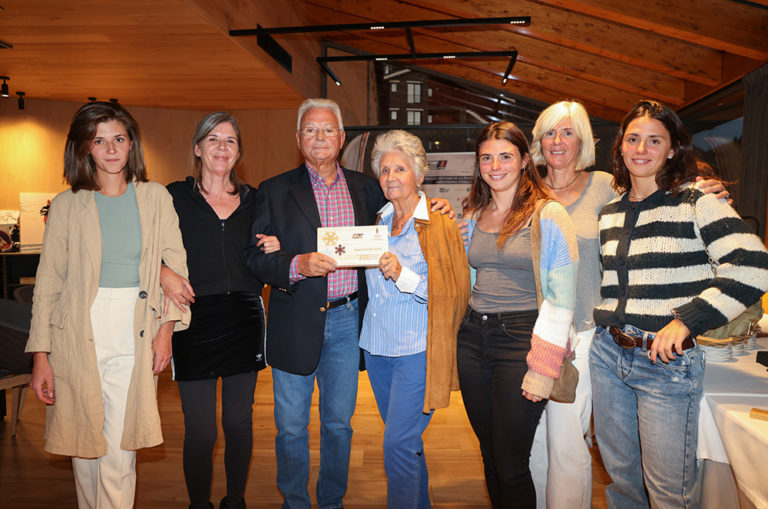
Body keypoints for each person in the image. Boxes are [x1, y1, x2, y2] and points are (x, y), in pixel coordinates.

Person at [243, 98, 453, 509]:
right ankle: (295, 503)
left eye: (328, 129)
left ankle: (332, 501)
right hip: (294, 320)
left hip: (348, 320)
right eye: (310, 129)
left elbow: (405, 205)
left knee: (339, 425)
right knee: (290, 428)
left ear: (341, 137)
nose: (319, 137)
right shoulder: (273, 190)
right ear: (298, 138)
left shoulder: (367, 188)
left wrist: (436, 205)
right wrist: (296, 264)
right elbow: (254, 258)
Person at [526, 100, 731, 509]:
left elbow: (658, 199)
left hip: (586, 335)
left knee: (569, 444)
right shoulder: (523, 190)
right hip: (531, 333)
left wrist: (709, 192)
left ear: (585, 142)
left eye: (568, 132)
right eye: (549, 132)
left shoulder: (605, 187)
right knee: (538, 448)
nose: (558, 141)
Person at [591, 100, 768, 508]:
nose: (641, 149)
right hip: (608, 354)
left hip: (666, 364)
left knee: (668, 494)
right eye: (633, 139)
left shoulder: (696, 201)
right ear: (620, 147)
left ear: (672, 149)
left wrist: (687, 320)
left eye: (655, 140)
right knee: (622, 483)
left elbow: (753, 265)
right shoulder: (610, 212)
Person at [26, 101, 190, 508]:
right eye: (99, 141)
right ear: (85, 148)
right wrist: (41, 357)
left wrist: (166, 332)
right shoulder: (67, 205)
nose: (111, 149)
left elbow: (177, 270)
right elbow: (48, 284)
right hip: (76, 331)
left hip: (136, 327)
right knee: (83, 447)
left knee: (119, 451)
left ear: (132, 143)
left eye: (119, 138)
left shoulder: (155, 198)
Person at [160, 112, 280, 509]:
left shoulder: (256, 200)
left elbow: (280, 243)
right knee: (201, 431)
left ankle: (235, 501)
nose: (221, 147)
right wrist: (163, 272)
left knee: (238, 422)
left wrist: (277, 246)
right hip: (192, 319)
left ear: (238, 151)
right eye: (212, 139)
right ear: (197, 148)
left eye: (230, 140)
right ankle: (199, 504)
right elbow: (143, 248)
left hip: (244, 317)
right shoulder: (174, 197)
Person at [458, 121, 579, 508]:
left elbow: (562, 297)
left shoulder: (549, 214)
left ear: (526, 160)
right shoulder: (474, 213)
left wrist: (544, 368)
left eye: (505, 157)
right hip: (473, 338)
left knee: (511, 465)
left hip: (522, 339)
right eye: (486, 158)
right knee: (490, 454)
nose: (495, 166)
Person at [359, 130, 470, 508]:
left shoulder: (439, 222)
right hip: (377, 348)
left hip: (418, 350)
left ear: (420, 175)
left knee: (397, 444)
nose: (391, 177)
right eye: (384, 170)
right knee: (405, 443)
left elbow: (451, 291)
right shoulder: (378, 220)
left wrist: (402, 274)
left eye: (400, 169)